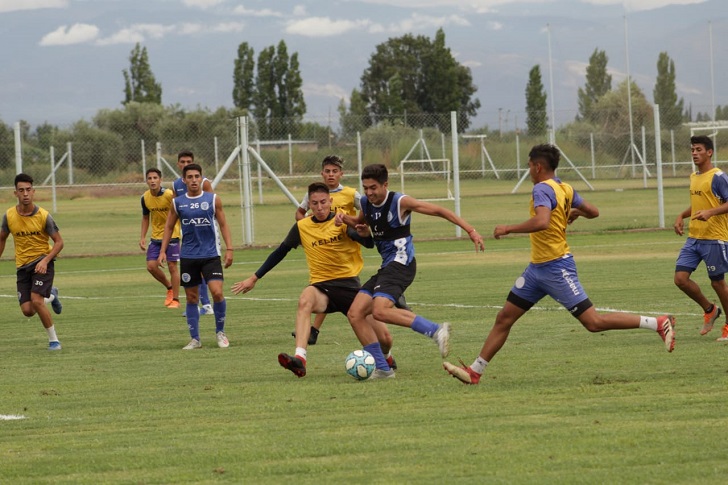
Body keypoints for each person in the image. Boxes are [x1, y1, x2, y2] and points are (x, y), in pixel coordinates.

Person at [443, 144, 676, 385]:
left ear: (538, 166)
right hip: (536, 271)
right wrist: (576, 212)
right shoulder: (564, 188)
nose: (529, 171)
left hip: (556, 268)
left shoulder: (542, 189)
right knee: (504, 318)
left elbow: (542, 221)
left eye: (529, 166)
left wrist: (509, 228)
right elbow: (594, 212)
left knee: (593, 323)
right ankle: (475, 371)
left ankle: (658, 323)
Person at [232, 182, 395, 378]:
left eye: (323, 202)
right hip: (321, 288)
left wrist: (364, 233)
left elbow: (368, 243)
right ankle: (299, 359)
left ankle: (386, 357)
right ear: (309, 204)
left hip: (350, 288)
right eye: (315, 203)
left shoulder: (341, 221)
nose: (319, 207)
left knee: (385, 339)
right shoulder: (302, 227)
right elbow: (279, 252)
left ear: (331, 201)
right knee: (305, 300)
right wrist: (254, 278)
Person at [337, 163, 485, 379]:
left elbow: (440, 211)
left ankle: (435, 330)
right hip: (387, 266)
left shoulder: (400, 202)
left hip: (402, 263)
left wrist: (470, 231)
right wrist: (345, 220)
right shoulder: (366, 203)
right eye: (365, 187)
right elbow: (362, 223)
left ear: (385, 185)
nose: (369, 192)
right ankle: (383, 369)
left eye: (373, 187)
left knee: (379, 311)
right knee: (355, 313)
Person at [159, 163, 234, 350]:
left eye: (196, 176)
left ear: (202, 178)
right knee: (192, 298)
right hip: (189, 256)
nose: (193, 180)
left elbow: (223, 224)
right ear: (184, 180)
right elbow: (169, 227)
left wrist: (230, 248)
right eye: (190, 177)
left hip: (210, 255)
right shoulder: (178, 202)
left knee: (217, 292)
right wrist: (163, 250)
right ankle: (195, 339)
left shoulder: (213, 199)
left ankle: (220, 333)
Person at [292, 155, 362, 345]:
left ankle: (314, 329)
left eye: (335, 171)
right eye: (327, 171)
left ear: (341, 174)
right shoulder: (313, 194)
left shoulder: (350, 194)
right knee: (323, 288)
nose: (331, 175)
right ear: (322, 173)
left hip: (345, 250)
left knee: (342, 297)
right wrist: (309, 231)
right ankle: (313, 330)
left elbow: (367, 212)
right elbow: (300, 213)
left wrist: (357, 227)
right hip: (322, 249)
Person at [0, 173, 64, 350]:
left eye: (28, 190)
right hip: (22, 266)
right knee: (28, 311)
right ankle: (52, 294)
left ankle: (54, 341)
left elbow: (59, 242)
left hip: (42, 262)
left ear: (33, 191)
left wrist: (46, 261)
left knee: (36, 300)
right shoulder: (9, 216)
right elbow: (2, 238)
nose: (25, 194)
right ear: (16, 193)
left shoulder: (44, 216)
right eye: (21, 190)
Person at [673, 135, 728, 340]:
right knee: (680, 279)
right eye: (692, 150)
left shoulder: (718, 177)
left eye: (698, 149)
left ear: (709, 152)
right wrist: (681, 215)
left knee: (717, 283)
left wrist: (711, 213)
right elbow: (699, 205)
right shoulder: (694, 177)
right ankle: (710, 309)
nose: (694, 153)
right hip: (694, 238)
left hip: (715, 238)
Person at [173, 150, 214, 316]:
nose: (185, 164)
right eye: (182, 162)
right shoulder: (176, 185)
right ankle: (198, 304)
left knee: (203, 269)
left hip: (207, 235)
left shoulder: (204, 183)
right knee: (192, 271)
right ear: (178, 164)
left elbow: (212, 207)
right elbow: (176, 212)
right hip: (189, 235)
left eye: (188, 161)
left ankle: (207, 305)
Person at [140, 168, 180, 308]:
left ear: (160, 180)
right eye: (149, 178)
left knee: (172, 266)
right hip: (156, 237)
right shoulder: (145, 197)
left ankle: (175, 299)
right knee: (151, 266)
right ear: (146, 181)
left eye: (155, 178)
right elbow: (146, 218)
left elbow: (180, 211)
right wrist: (142, 237)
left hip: (172, 235)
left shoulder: (169, 195)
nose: (152, 181)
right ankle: (169, 288)